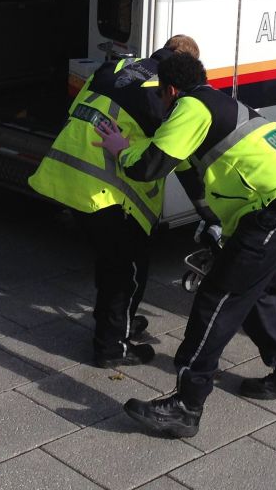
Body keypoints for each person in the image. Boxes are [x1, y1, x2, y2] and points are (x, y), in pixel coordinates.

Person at [96, 53, 276, 438]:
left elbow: (147, 166)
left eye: (160, 96)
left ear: (170, 90)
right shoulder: (216, 102)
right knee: (255, 292)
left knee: (217, 297)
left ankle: (187, 405)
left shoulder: (191, 107)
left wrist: (120, 147)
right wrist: (218, 224)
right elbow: (197, 176)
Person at [28, 36, 201, 368]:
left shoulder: (117, 66)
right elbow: (175, 156)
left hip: (65, 175)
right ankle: (111, 346)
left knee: (112, 260)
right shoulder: (167, 90)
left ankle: (118, 322)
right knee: (128, 267)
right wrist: (205, 207)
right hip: (105, 188)